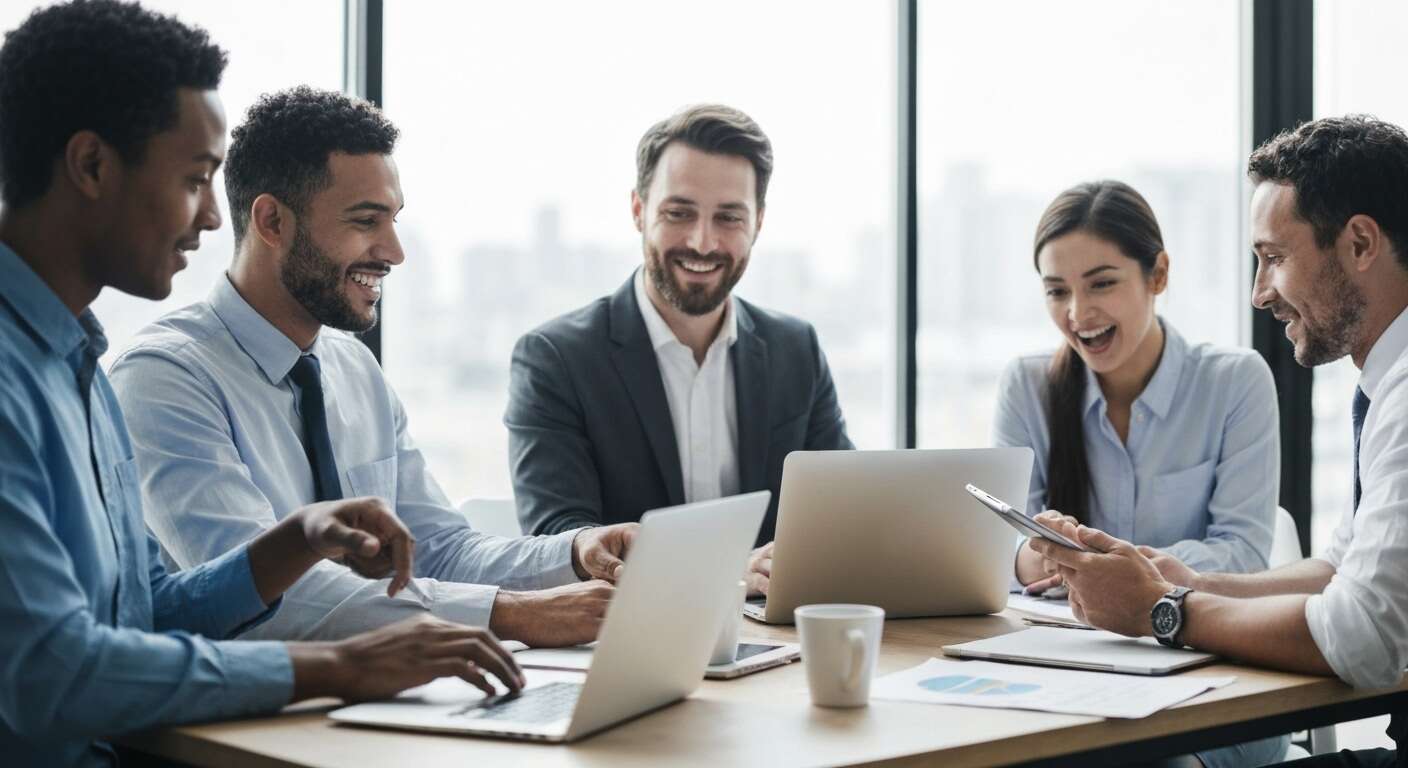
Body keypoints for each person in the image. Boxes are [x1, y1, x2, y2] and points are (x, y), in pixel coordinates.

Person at [0, 3, 521, 765]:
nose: (215, 218)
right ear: (91, 166)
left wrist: (295, 541)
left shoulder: (73, 366)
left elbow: (148, 612)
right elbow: (52, 673)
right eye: (194, 180)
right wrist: (336, 667)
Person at [109, 86, 636, 648]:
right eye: (366, 221)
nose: (394, 251)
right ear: (272, 222)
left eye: (394, 220)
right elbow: (264, 595)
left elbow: (439, 549)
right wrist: (510, 614)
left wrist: (576, 553)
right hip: (236, 718)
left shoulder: (353, 369)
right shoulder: (163, 380)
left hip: (367, 701)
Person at [1032, 116, 1408, 767]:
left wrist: (1161, 609)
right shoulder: (1385, 386)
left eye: (1275, 258)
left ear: (1361, 243)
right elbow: (1339, 574)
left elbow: (1363, 638)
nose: (1261, 293)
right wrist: (1182, 579)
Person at [504, 104, 853, 595]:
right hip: (628, 641)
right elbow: (562, 543)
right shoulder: (556, 359)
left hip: (777, 637)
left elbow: (845, 512)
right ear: (638, 210)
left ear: (758, 223)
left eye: (729, 217)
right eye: (678, 212)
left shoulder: (796, 349)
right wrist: (726, 572)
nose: (702, 241)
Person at [995, 180, 1285, 767]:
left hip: (1209, 673)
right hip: (1068, 671)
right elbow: (1000, 547)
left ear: (1158, 274)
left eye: (1102, 283)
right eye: (1058, 291)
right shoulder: (1028, 386)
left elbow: (1246, 553)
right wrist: (1048, 553)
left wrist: (1121, 576)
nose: (1078, 314)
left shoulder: (1234, 383)